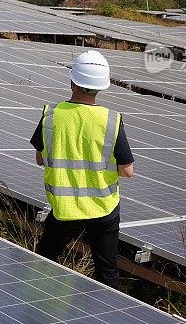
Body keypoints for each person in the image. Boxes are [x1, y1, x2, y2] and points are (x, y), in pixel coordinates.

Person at [30, 50, 134, 288]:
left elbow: (39, 158)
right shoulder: (111, 119)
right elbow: (128, 171)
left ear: (73, 80)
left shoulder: (51, 114)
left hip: (65, 209)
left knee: (44, 263)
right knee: (107, 272)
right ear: (102, 87)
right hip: (103, 210)